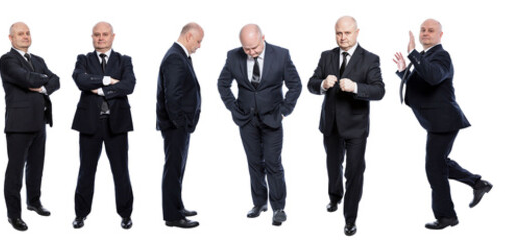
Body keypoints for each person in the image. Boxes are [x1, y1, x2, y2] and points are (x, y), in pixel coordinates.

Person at [392, 18, 492, 230]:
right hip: (435, 122)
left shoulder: (441, 55)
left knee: (434, 168)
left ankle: (447, 217)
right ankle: (477, 183)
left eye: (431, 30)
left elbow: (434, 76)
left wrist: (413, 54)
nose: (425, 33)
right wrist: (403, 71)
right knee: (439, 163)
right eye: (423, 30)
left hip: (444, 121)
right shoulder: (427, 56)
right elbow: (423, 83)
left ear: (440, 35)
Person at [307, 16, 385, 236]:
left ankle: (350, 219)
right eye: (338, 33)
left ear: (357, 32)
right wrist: (322, 84)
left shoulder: (370, 59)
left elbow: (379, 91)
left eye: (347, 33)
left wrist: (356, 87)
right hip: (330, 124)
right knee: (333, 167)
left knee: (354, 172)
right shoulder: (327, 56)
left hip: (356, 127)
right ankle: (334, 197)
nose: (342, 37)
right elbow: (311, 83)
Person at [216, 23, 301, 226]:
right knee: (254, 163)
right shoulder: (233, 56)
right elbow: (222, 83)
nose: (251, 52)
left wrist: (283, 112)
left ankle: (278, 207)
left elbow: (295, 85)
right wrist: (233, 108)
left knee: (273, 163)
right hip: (246, 120)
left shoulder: (281, 55)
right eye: (246, 49)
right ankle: (259, 203)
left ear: (263, 38)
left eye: (254, 47)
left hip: (272, 119)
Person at [69, 21, 135, 230]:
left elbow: (129, 84)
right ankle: (80, 214)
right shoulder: (84, 59)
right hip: (90, 123)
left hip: (117, 124)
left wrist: (99, 89)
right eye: (96, 35)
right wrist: (108, 81)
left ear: (112, 36)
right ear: (92, 37)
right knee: (86, 171)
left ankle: (125, 214)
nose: (100, 38)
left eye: (105, 34)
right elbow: (80, 80)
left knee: (121, 171)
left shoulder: (124, 60)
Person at [0, 22, 60, 231]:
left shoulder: (38, 60)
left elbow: (57, 80)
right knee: (15, 171)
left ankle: (33, 202)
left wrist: (41, 84)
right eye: (20, 34)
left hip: (39, 121)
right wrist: (45, 81)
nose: (25, 36)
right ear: (11, 38)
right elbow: (24, 78)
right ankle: (14, 215)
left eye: (27, 33)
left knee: (36, 166)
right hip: (18, 124)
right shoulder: (7, 60)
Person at [157, 22, 204, 229]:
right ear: (189, 36)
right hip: (176, 126)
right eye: (199, 41)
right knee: (173, 169)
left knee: (178, 168)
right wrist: (181, 123)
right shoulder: (175, 57)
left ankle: (177, 206)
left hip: (180, 125)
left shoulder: (180, 55)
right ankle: (172, 216)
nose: (200, 45)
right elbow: (172, 96)